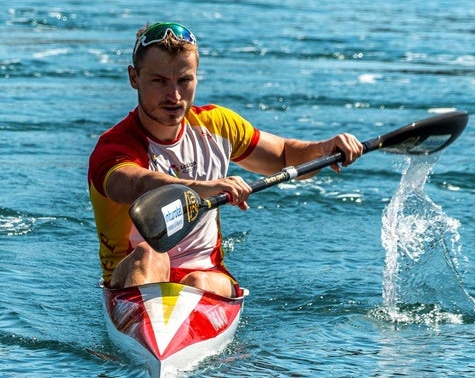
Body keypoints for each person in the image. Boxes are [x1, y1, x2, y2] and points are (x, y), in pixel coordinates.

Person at [88, 22, 363, 298]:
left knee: (199, 282)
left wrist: (323, 148)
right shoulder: (114, 145)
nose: (174, 96)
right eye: (159, 81)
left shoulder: (219, 125)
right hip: (133, 275)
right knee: (149, 255)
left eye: (184, 80)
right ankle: (148, 329)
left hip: (205, 272)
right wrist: (205, 188)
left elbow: (284, 156)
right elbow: (133, 185)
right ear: (134, 78)